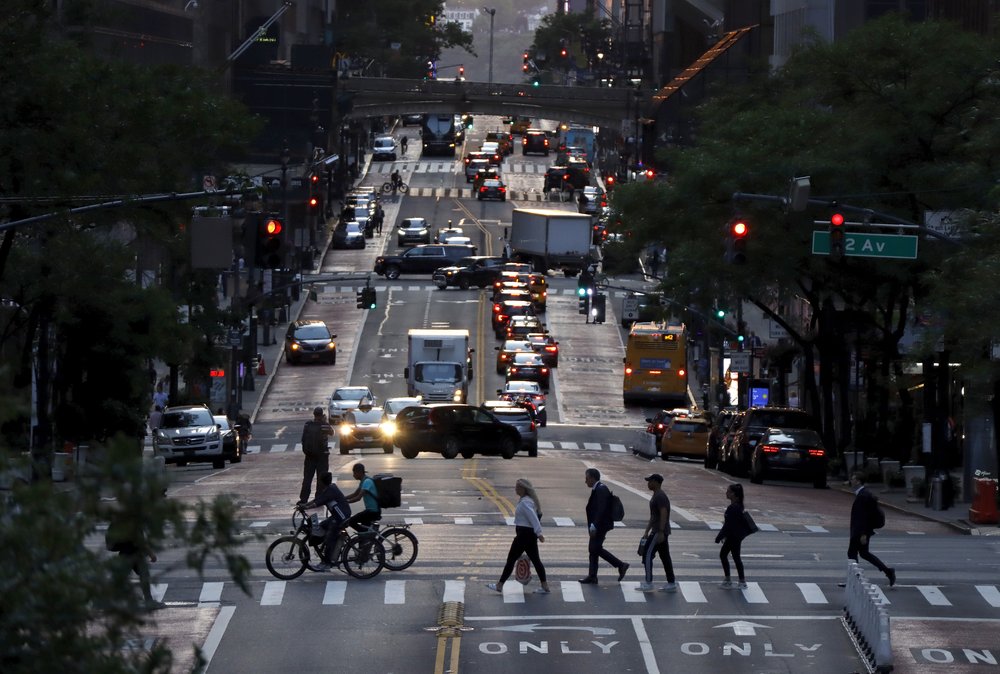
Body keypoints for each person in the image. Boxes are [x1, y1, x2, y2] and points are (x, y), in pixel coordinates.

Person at [486, 478, 550, 594]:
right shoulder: (527, 500)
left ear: (523, 489)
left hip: (524, 535)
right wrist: (537, 534)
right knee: (536, 560)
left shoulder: (526, 502)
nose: (515, 489)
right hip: (528, 535)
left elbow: (533, 518)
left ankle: (499, 585)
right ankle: (544, 585)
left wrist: (539, 533)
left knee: (511, 559)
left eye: (517, 487)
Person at [580, 468, 628, 584]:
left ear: (592, 478)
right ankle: (592, 576)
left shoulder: (601, 489)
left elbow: (601, 510)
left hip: (600, 526)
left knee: (594, 548)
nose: (585, 481)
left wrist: (594, 525)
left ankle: (620, 565)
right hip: (598, 525)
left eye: (587, 478)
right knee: (593, 549)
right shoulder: (598, 488)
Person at [847, 471, 896, 586]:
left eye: (853, 479)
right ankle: (888, 571)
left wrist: (863, 534)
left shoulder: (863, 496)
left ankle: (855, 580)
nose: (851, 481)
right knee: (863, 553)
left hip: (860, 531)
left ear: (858, 481)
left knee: (852, 554)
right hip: (861, 530)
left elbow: (864, 516)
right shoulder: (863, 494)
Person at [304, 471, 352, 570]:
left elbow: (318, 503)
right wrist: (304, 505)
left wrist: (306, 507)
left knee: (330, 538)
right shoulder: (329, 488)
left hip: (341, 517)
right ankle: (328, 547)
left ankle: (326, 563)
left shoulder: (331, 491)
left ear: (321, 482)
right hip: (337, 516)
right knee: (322, 526)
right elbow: (317, 499)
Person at [638, 473, 677, 592]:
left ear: (656, 482)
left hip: (658, 532)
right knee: (665, 557)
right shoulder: (656, 495)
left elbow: (663, 513)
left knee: (647, 555)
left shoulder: (660, 496)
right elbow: (653, 516)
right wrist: (646, 531)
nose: (648, 483)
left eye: (650, 481)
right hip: (657, 530)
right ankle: (671, 583)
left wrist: (660, 531)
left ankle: (648, 582)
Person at [715, 483, 749, 589]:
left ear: (734, 494)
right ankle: (740, 581)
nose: (726, 493)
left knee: (724, 555)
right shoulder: (738, 506)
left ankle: (730, 580)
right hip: (736, 536)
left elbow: (728, 525)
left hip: (733, 537)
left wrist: (719, 537)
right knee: (735, 557)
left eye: (728, 491)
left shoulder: (733, 508)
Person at [298, 407, 333, 505]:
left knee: (307, 478)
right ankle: (319, 498)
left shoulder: (307, 425)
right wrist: (325, 421)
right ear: (321, 415)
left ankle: (303, 499)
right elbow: (332, 432)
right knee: (321, 478)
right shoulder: (324, 425)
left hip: (309, 456)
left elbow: (303, 439)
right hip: (322, 456)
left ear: (314, 414)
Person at [344, 463, 381, 532]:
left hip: (372, 511)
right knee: (364, 525)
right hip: (370, 511)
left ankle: (367, 536)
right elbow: (355, 494)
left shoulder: (367, 482)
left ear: (359, 472)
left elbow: (358, 497)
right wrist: (342, 498)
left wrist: (346, 502)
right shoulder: (363, 481)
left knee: (351, 521)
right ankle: (366, 538)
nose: (353, 475)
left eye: (354, 473)